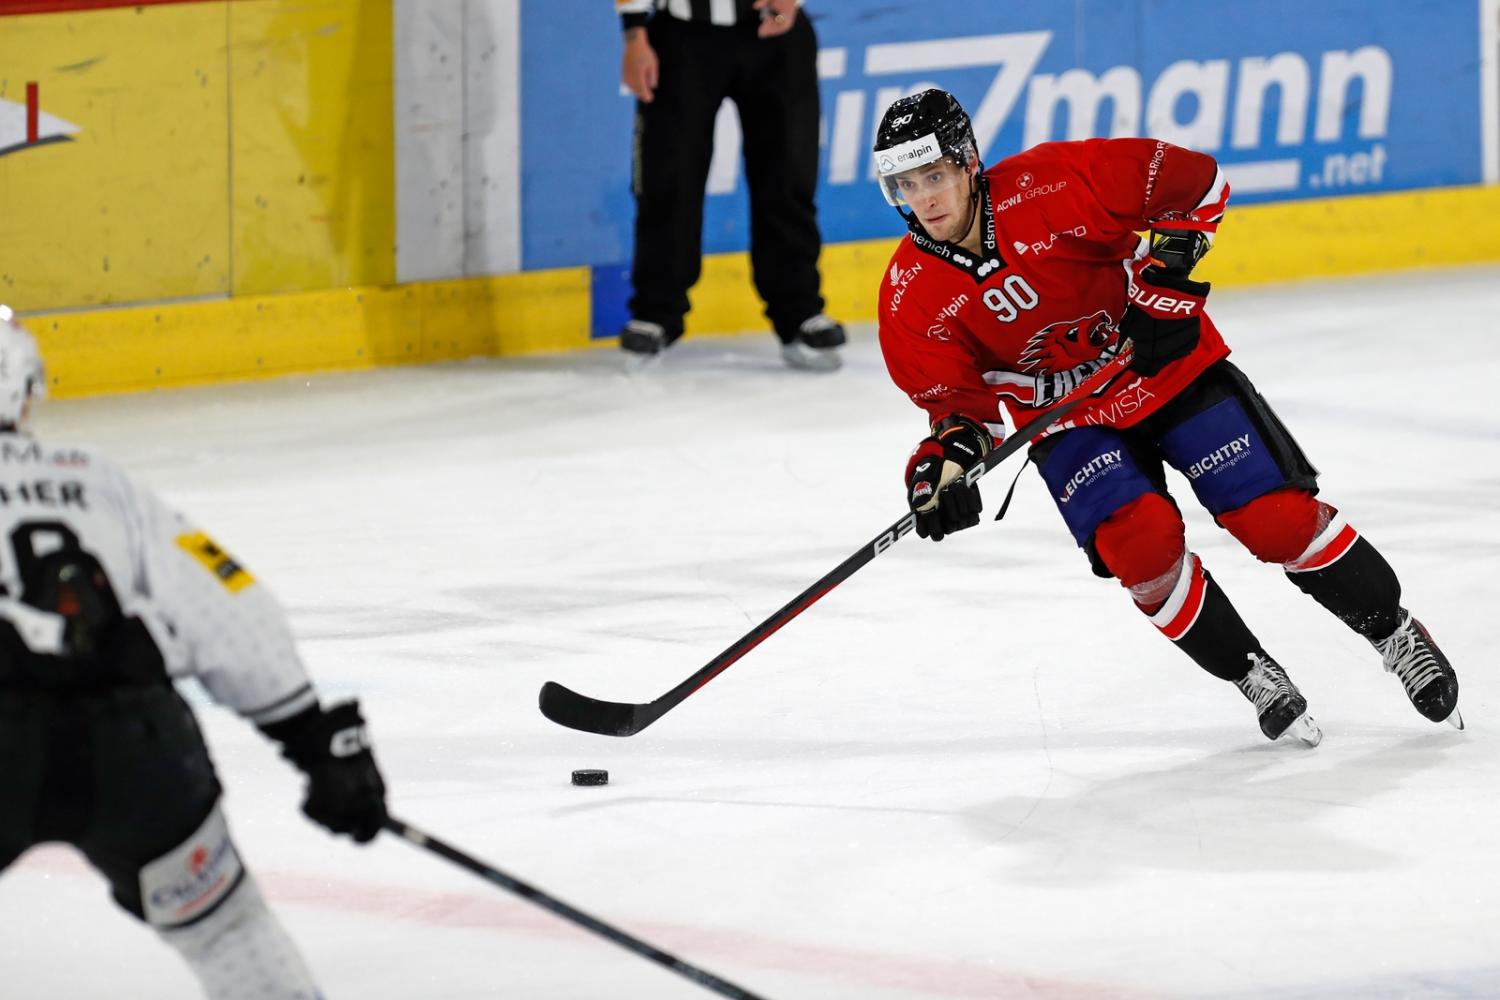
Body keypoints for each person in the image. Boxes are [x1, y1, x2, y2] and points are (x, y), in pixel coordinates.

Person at [870, 90, 1461, 744]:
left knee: (1275, 520)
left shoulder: (1055, 182)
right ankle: (1251, 672)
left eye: (934, 176)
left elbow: (1198, 183)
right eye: (906, 185)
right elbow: (961, 412)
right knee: (1140, 548)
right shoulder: (908, 297)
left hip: (1166, 368)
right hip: (1069, 421)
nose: (924, 199)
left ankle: (1395, 633)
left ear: (968, 163)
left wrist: (1167, 286)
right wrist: (944, 469)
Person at [0, 305, 388, 997]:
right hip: (135, 749)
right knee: (227, 932)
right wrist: (312, 740)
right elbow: (225, 603)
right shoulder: (94, 476)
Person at [615, 0, 847, 371]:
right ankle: (656, 311)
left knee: (789, 177)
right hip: (681, 34)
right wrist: (634, 34)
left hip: (777, 31)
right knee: (668, 179)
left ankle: (799, 312)